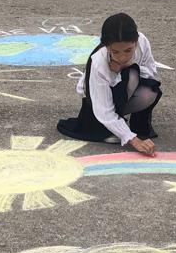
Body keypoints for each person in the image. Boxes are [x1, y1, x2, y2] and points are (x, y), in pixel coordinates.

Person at [56, 13, 161, 156]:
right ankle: (110, 128)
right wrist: (133, 140)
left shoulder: (142, 42)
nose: (122, 57)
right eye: (115, 52)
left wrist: (129, 65)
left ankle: (126, 125)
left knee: (148, 91)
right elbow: (104, 110)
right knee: (129, 76)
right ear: (107, 47)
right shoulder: (98, 62)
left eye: (128, 50)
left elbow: (151, 73)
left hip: (126, 92)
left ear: (136, 41)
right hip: (95, 103)